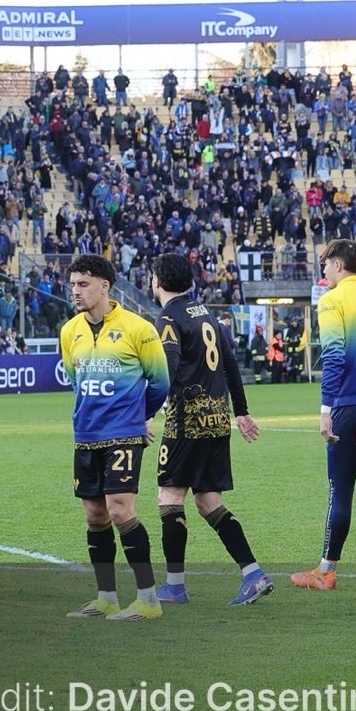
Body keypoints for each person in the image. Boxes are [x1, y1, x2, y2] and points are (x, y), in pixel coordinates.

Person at [148, 253, 270, 606]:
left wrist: (147, 412)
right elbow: (230, 363)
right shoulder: (205, 313)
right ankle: (253, 574)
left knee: (169, 497)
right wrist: (242, 412)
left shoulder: (169, 318)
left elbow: (167, 368)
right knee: (208, 500)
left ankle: (174, 586)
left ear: (157, 280)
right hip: (217, 420)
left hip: (187, 422)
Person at [61, 255, 170, 621]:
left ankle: (148, 599)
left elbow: (160, 384)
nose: (75, 291)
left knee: (121, 509)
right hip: (86, 432)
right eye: (73, 284)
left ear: (105, 286)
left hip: (123, 432)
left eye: (83, 284)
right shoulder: (70, 330)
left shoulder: (139, 328)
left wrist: (137, 417)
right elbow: (76, 381)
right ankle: (106, 596)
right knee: (94, 515)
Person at [294, 240, 356, 589]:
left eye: (326, 265)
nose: (323, 271)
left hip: (347, 405)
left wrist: (326, 408)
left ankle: (326, 570)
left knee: (339, 489)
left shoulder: (331, 300)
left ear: (339, 265)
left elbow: (334, 356)